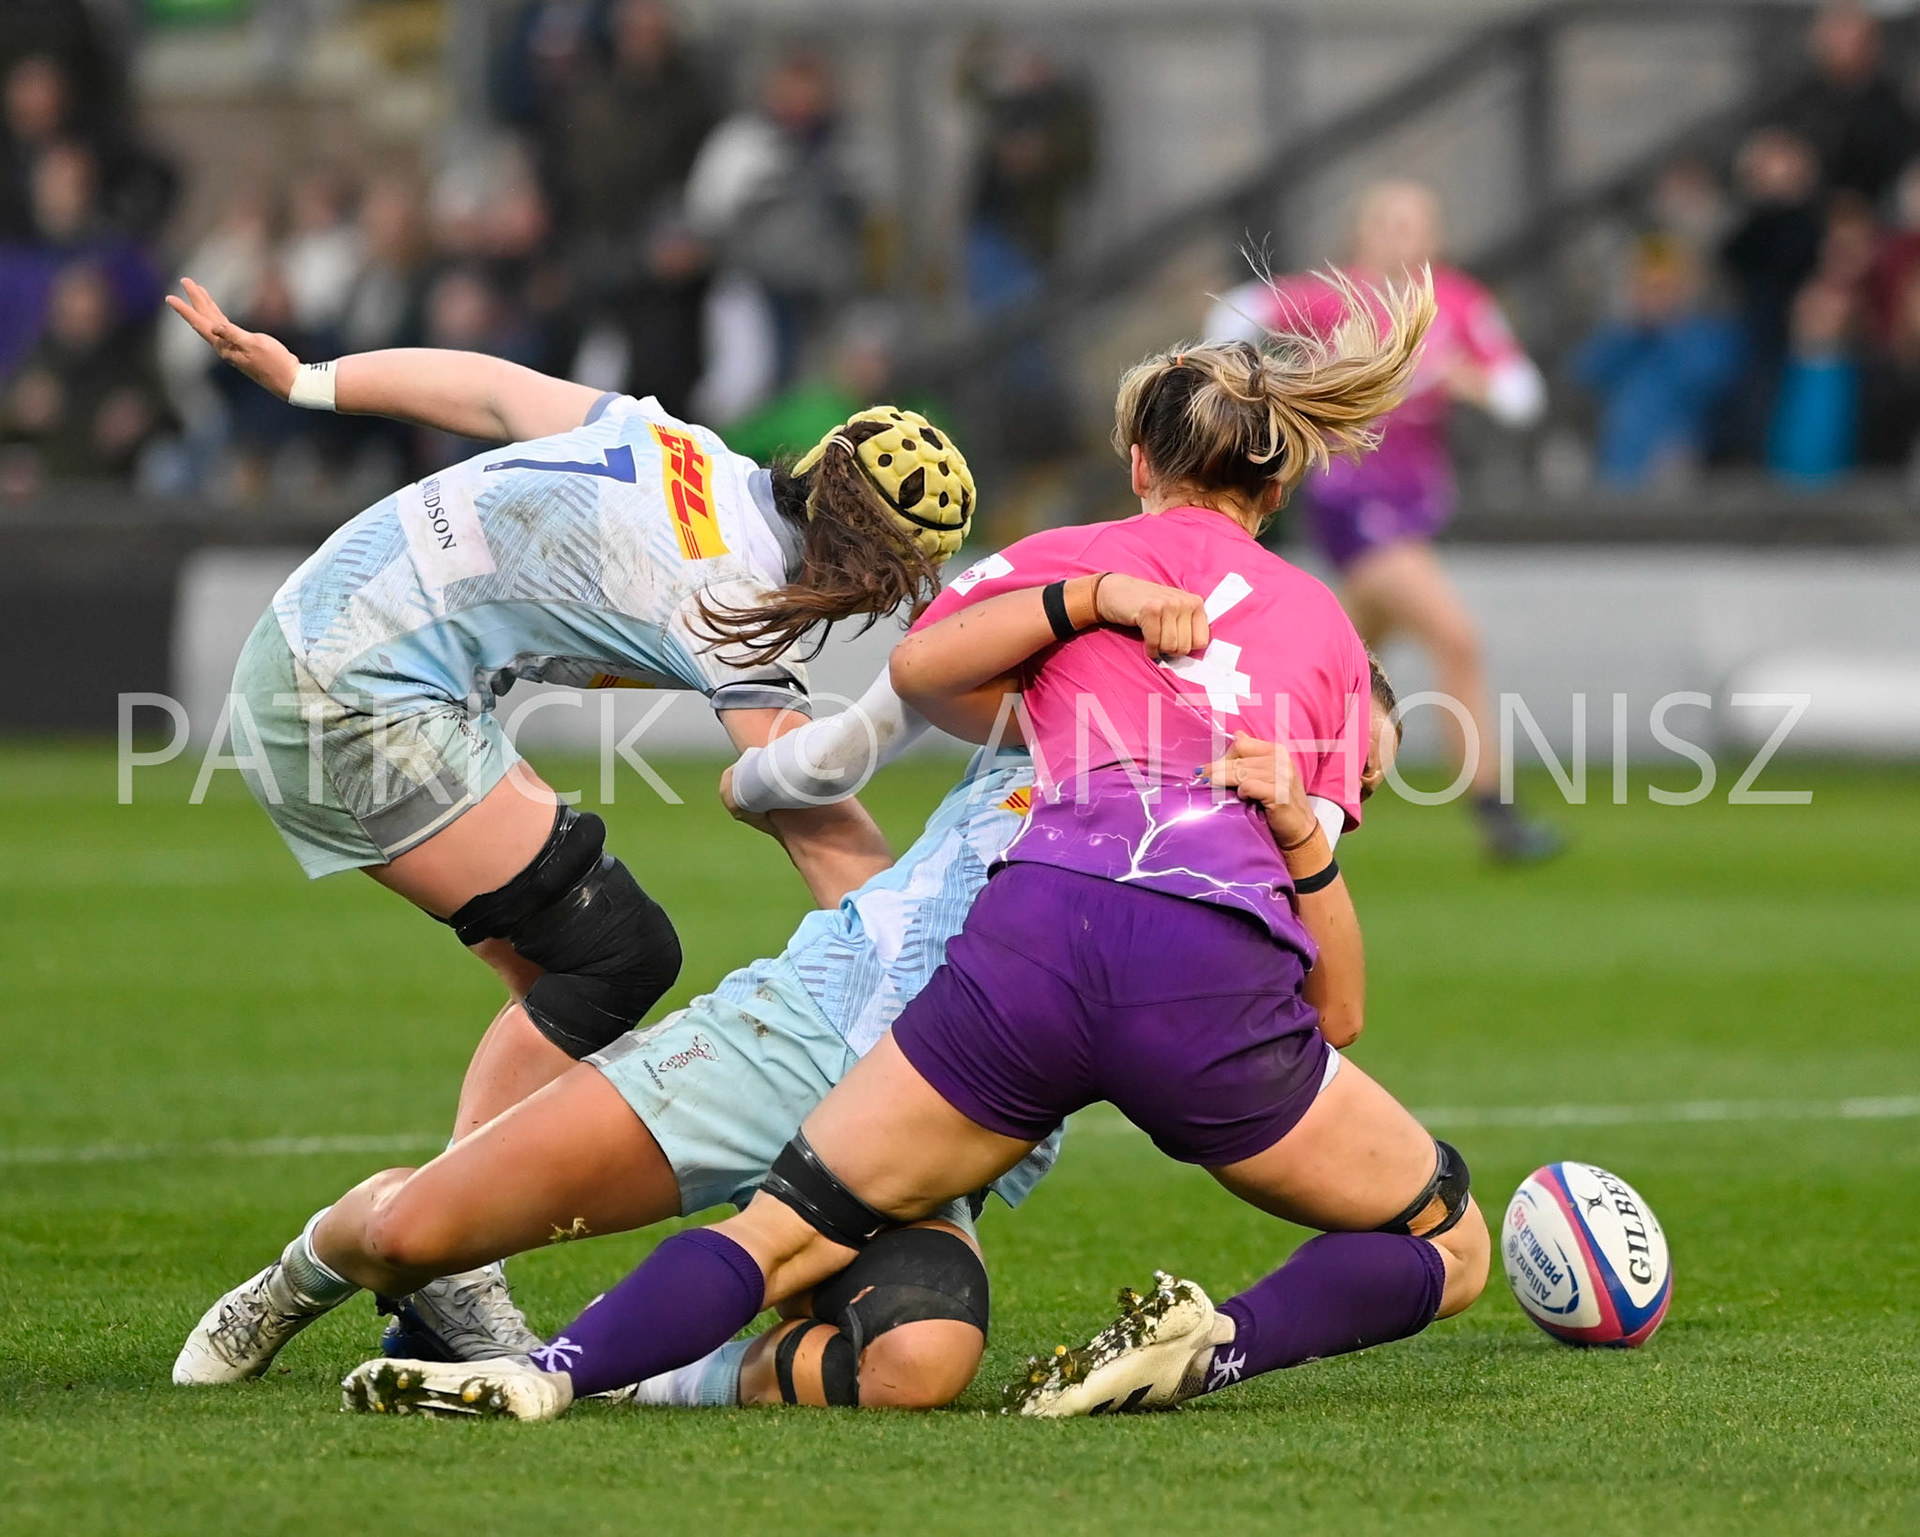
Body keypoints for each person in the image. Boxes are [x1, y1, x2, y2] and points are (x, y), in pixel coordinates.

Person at [333, 276, 1492, 1426]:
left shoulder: (1067, 559)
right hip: (1202, 972)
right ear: (1279, 485)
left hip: (1032, 939)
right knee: (1447, 1239)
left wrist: (1084, 604)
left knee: (783, 1232)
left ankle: (551, 1371)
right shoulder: (1327, 632)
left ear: (1139, 462)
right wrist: (1297, 827)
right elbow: (1336, 1004)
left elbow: (922, 677)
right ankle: (1216, 1345)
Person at [162, 278, 977, 1342]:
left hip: (323, 627)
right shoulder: (735, 599)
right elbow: (808, 809)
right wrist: (931, 977)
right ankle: (448, 1259)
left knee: (560, 983)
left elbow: (491, 389)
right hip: (349, 693)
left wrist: (307, 378)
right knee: (614, 955)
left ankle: (418, 1263)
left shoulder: (679, 445)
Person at [1208, 180, 1559, 861]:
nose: (1401, 236)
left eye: (1414, 223)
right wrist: (1257, 386)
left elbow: (1523, 396)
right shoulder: (1335, 297)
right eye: (1387, 223)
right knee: (1457, 640)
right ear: (1361, 233)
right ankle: (1496, 812)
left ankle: (1263, 791)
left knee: (1340, 665)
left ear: (1435, 235)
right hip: (1353, 502)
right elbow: (1234, 313)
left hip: (1414, 507)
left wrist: (1468, 379)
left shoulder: (1457, 302)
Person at [1573, 235, 1742, 486]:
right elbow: (1584, 372)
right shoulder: (1625, 338)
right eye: (1645, 287)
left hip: (1680, 474)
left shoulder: (1708, 339)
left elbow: (1713, 380)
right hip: (1619, 470)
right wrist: (1633, 330)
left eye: (1663, 288)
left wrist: (1671, 330)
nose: (1653, 297)